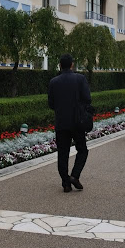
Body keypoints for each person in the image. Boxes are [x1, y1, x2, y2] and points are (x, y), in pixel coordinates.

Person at [48, 54, 91, 192]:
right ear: (72, 64)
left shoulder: (53, 81)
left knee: (63, 153)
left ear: (60, 65)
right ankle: (75, 175)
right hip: (77, 121)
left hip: (61, 122)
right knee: (82, 150)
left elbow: (51, 104)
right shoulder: (80, 79)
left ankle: (66, 183)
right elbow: (87, 99)